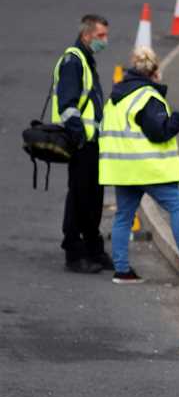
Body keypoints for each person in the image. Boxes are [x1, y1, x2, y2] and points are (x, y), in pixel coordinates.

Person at [99, 47, 179, 283]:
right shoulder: (148, 97)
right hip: (147, 169)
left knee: (124, 216)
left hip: (122, 169)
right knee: (177, 205)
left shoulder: (118, 96)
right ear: (155, 72)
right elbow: (160, 132)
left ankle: (122, 270)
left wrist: (178, 115)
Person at [52, 14, 109, 274]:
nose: (104, 41)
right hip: (82, 143)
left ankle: (93, 248)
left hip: (92, 142)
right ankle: (74, 252)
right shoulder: (73, 62)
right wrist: (79, 137)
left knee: (92, 197)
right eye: (100, 36)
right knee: (79, 197)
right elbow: (67, 107)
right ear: (87, 35)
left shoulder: (86, 59)